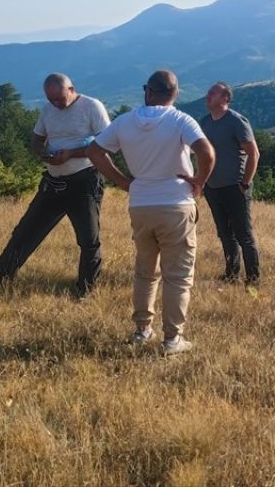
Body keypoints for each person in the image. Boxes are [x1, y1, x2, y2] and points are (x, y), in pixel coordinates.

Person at [87, 70, 214, 357]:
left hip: (141, 204)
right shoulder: (181, 120)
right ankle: (172, 339)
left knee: (146, 271)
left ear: (148, 91)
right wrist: (200, 182)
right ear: (175, 94)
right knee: (178, 276)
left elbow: (95, 151)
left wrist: (121, 180)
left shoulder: (125, 121)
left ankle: (142, 330)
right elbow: (206, 152)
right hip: (175, 204)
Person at [0, 74, 111, 298]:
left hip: (84, 180)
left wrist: (70, 154)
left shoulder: (92, 107)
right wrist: (43, 153)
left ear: (72, 89)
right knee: (25, 232)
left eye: (60, 99)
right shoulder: (48, 110)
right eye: (51, 100)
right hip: (53, 182)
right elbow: (36, 140)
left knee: (88, 239)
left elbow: (107, 144)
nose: (56, 104)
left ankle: (85, 290)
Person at [198, 82, 262, 285]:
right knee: (225, 235)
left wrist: (244, 183)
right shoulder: (205, 122)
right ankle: (231, 274)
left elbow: (254, 153)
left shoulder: (236, 121)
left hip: (235, 187)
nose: (208, 95)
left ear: (225, 99)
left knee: (244, 235)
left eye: (213, 92)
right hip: (213, 188)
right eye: (208, 91)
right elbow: (199, 155)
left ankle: (253, 279)